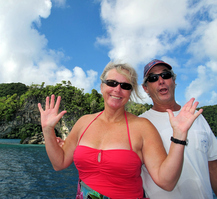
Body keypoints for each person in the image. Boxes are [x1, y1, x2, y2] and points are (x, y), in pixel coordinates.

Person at [38, 62, 202, 199]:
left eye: (125, 86)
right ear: (102, 86)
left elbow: (166, 182)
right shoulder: (84, 122)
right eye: (112, 83)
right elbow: (59, 163)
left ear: (130, 93)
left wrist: (179, 136)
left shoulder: (142, 127)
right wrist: (48, 130)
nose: (117, 89)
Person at [141, 59, 217, 199]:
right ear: (145, 88)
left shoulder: (196, 117)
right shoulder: (140, 124)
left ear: (174, 81)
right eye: (153, 78)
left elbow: (213, 166)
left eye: (166, 75)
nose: (161, 80)